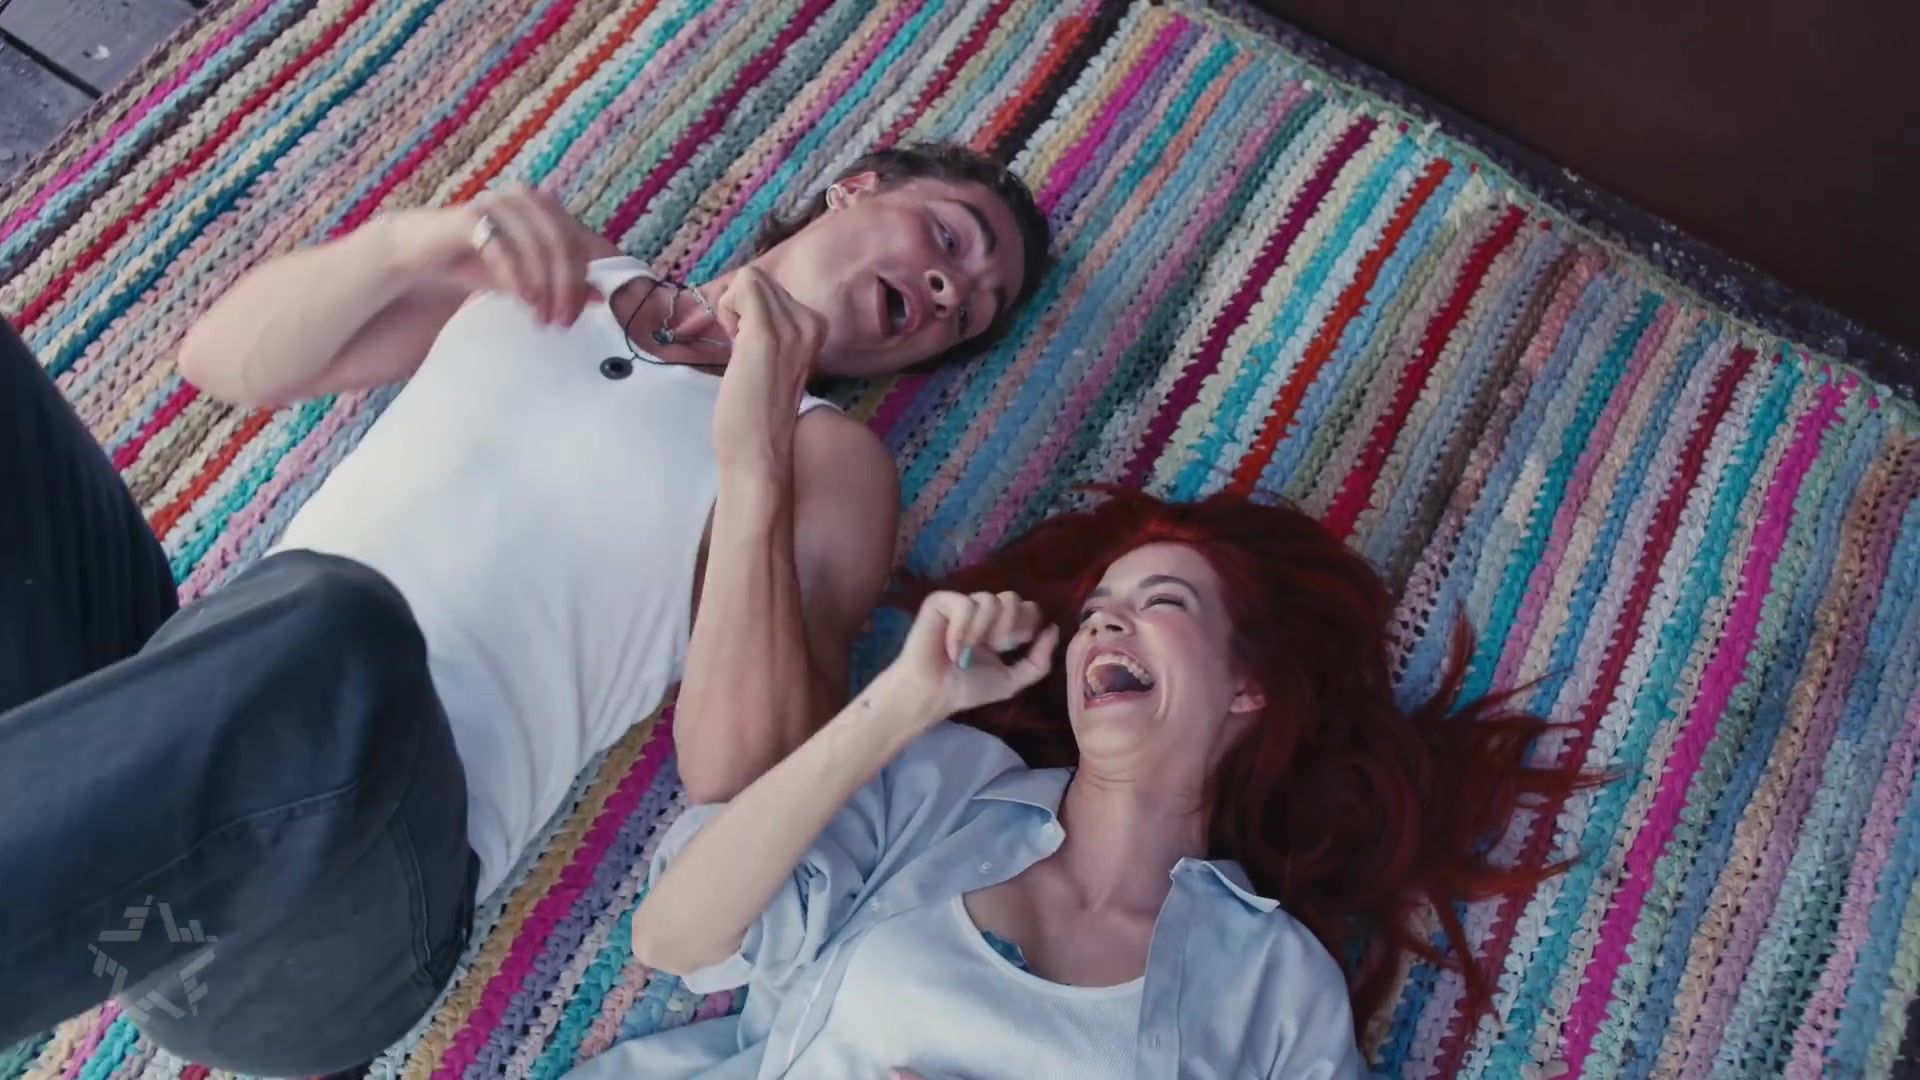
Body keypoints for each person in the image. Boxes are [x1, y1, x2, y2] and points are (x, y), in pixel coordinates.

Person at [0, 142, 1048, 1074]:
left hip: (317, 923)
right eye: (950, 239)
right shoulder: (570, 271)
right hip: (150, 773)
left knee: (342, 623)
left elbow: (743, 780)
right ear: (856, 187)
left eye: (969, 311)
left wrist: (755, 454)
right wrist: (413, 242)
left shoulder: (829, 462)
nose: (948, 290)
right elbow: (221, 363)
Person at [578, 488, 1596, 1078]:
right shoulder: (944, 786)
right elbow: (674, 938)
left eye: (1163, 603)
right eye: (1097, 608)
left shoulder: (1275, 986)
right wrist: (898, 706)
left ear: (1247, 687)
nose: (1106, 621)